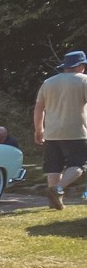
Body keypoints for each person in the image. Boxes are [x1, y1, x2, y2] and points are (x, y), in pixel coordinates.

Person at [34, 49, 87, 210]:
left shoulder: (48, 82)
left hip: (52, 132)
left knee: (54, 166)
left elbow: (38, 108)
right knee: (79, 164)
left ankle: (54, 202)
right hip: (76, 131)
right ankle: (57, 188)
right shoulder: (84, 81)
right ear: (80, 66)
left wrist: (38, 130)